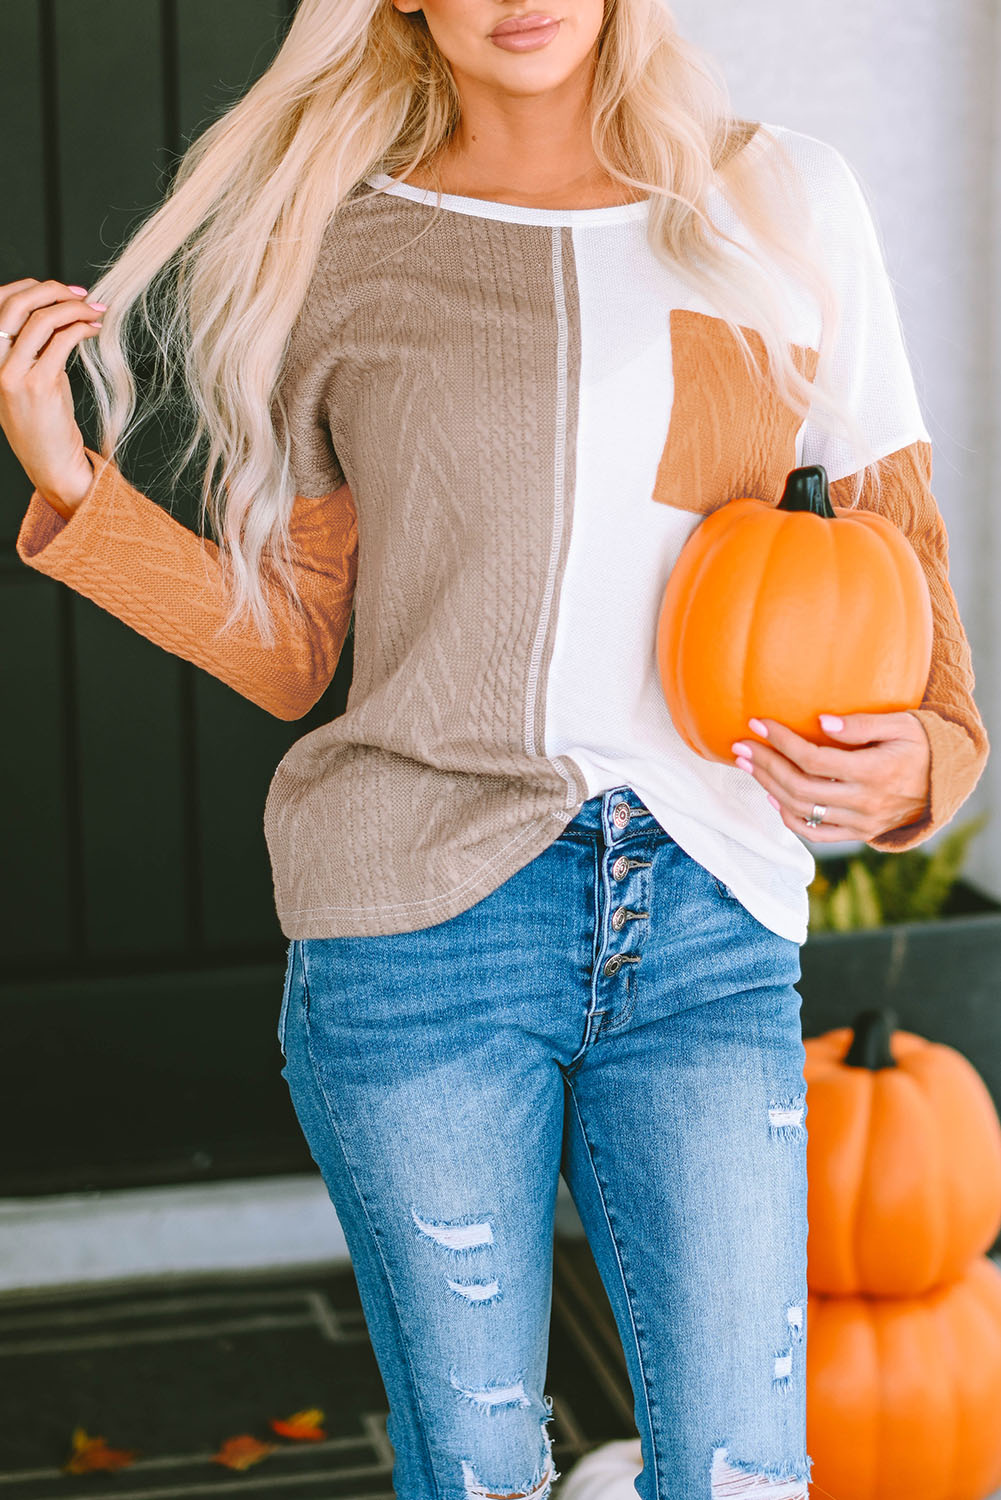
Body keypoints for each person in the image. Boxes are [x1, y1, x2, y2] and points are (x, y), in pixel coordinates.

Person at [1, 2, 989, 1497]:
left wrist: (934, 759)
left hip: (709, 904)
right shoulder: (336, 240)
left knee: (740, 1470)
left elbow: (891, 541)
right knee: (471, 1470)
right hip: (418, 921)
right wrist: (79, 488)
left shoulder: (777, 197)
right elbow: (292, 650)